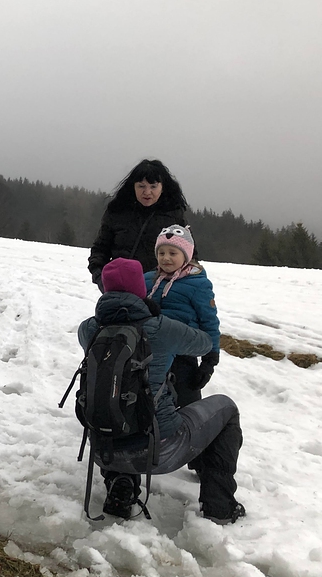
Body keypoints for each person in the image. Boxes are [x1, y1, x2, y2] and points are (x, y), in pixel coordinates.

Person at [77, 258, 245, 524]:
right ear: (142, 288)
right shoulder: (161, 327)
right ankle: (219, 506)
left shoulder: (88, 329)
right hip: (160, 450)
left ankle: (120, 486)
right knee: (226, 408)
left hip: (103, 451)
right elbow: (203, 343)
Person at [145, 225, 220, 409]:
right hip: (150, 351)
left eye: (172, 253)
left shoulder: (198, 284)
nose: (166, 258)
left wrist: (210, 360)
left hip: (183, 354)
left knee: (186, 404)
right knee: (149, 398)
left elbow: (209, 320)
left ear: (186, 255)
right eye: (161, 253)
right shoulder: (148, 279)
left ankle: (191, 433)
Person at [88, 159, 189, 290]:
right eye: (141, 186)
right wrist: (104, 280)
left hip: (161, 293)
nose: (147, 192)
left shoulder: (174, 216)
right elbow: (99, 252)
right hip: (121, 290)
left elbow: (190, 257)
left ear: (163, 188)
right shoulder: (117, 212)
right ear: (133, 186)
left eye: (153, 186)